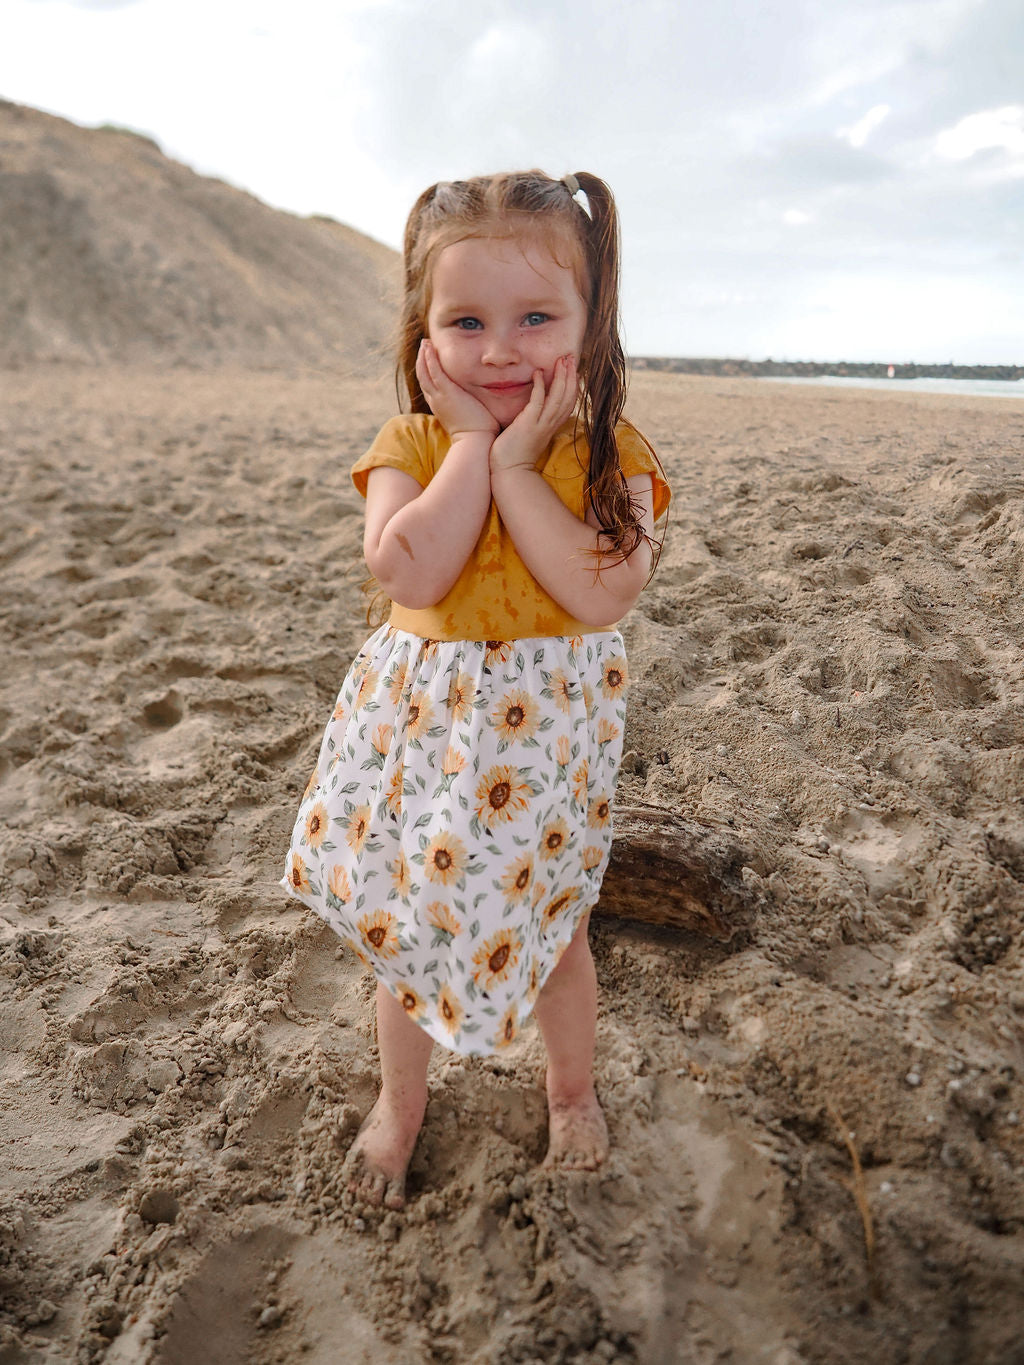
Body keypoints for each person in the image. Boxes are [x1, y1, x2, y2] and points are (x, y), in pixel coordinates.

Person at [281, 170, 670, 1210]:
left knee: (559, 927)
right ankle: (399, 1104)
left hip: (545, 741)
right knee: (409, 930)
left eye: (535, 318)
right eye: (466, 322)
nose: (499, 350)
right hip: (430, 733)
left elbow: (603, 594)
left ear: (590, 325)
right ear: (425, 335)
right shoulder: (412, 446)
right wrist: (468, 448)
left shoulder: (611, 453)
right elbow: (409, 573)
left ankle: (571, 1090)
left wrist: (518, 472)